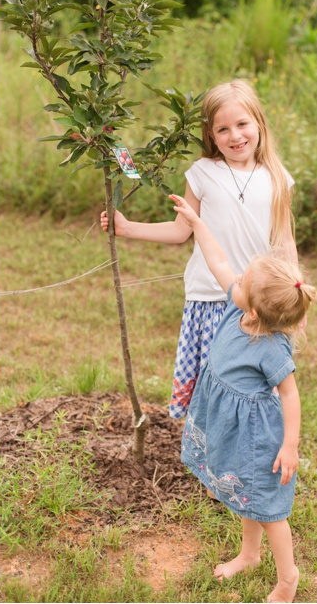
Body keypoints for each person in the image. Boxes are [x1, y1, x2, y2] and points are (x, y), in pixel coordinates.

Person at [101, 79, 298, 419]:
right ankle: (207, 453)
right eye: (223, 129)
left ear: (259, 124)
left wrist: (294, 296)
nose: (235, 136)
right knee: (212, 384)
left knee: (252, 386)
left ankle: (250, 449)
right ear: (211, 135)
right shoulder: (203, 173)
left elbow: (283, 241)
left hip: (259, 302)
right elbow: (181, 230)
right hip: (209, 299)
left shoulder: (277, 176)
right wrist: (127, 228)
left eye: (242, 124)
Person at [171, 192, 316, 604]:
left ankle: (287, 578)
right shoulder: (242, 308)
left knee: (270, 510)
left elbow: (290, 396)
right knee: (243, 494)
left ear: (251, 309)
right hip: (231, 426)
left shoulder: (270, 348)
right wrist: (197, 225)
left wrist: (290, 446)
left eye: (243, 282)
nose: (235, 280)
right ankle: (249, 556)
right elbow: (218, 261)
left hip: (257, 437)